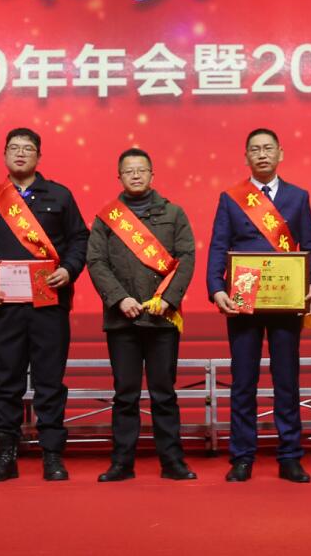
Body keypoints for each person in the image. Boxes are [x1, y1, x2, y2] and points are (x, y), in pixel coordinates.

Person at [0, 128, 90, 482]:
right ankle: (6, 455)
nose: (20, 154)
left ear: (39, 156)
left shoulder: (60, 195)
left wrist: (68, 269)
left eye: (28, 149)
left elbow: (80, 239)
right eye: (14, 148)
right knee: (7, 382)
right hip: (5, 306)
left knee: (50, 381)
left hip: (49, 305)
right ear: (5, 154)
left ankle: (52, 454)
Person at [207, 128, 311, 483]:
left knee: (286, 380)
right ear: (246, 157)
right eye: (254, 149)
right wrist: (216, 288)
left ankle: (290, 456)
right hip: (244, 291)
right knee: (244, 380)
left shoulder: (298, 197)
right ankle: (242, 456)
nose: (262, 154)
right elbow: (218, 245)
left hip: (286, 294)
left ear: (280, 154)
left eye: (268, 148)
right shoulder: (231, 198)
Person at [86, 148, 198, 481]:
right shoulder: (107, 218)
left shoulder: (173, 213)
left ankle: (172, 462)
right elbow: (96, 262)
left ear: (152, 174)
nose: (135, 175)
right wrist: (119, 299)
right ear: (119, 176)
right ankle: (122, 463)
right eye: (129, 171)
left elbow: (186, 257)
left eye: (141, 170)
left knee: (164, 393)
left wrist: (169, 299)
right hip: (122, 320)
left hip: (162, 319)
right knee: (125, 394)